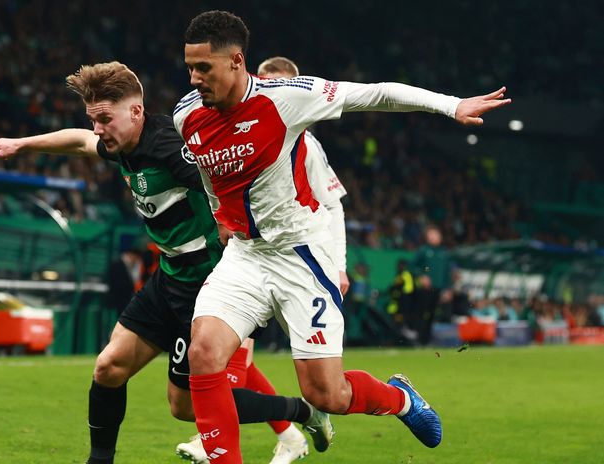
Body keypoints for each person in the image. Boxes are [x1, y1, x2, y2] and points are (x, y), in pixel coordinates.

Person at [173, 10, 510, 462]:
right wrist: (220, 214)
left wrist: (451, 105)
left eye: (204, 68)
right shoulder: (187, 115)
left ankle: (401, 399)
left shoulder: (287, 99)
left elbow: (376, 94)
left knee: (327, 395)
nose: (194, 79)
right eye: (190, 68)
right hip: (247, 257)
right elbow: (211, 174)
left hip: (301, 258)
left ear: (236, 61)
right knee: (204, 353)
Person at [0, 61, 329, 464]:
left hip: (206, 289)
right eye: (94, 120)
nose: (97, 130)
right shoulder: (120, 144)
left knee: (186, 407)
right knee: (108, 367)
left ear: (137, 112)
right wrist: (22, 144)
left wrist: (232, 225)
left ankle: (301, 411)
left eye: (105, 119)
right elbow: (78, 141)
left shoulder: (171, 148)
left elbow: (226, 182)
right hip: (169, 278)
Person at [176, 55, 353, 464]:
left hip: (299, 260)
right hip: (249, 256)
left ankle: (280, 427)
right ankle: (268, 434)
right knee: (221, 350)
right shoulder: (229, 122)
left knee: (310, 383)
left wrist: (338, 264)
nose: (268, 90)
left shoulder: (305, 143)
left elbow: (333, 206)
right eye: (264, 80)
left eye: (279, 85)